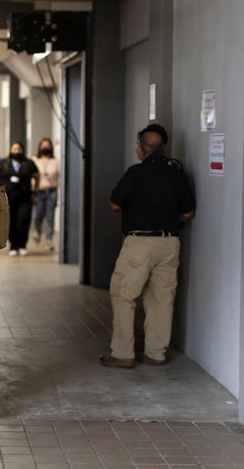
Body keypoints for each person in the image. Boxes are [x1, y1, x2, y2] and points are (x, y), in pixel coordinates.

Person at [101, 123, 196, 368]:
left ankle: (123, 353)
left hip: (139, 243)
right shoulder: (177, 173)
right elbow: (188, 212)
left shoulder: (135, 173)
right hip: (169, 244)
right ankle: (156, 353)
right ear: (163, 148)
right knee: (161, 299)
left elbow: (114, 205)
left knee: (123, 295)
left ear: (141, 149)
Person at [0, 142, 39, 256]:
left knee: (24, 219)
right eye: (14, 149)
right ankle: (14, 245)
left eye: (19, 149)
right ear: (10, 150)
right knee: (11, 222)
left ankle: (22, 245)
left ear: (22, 150)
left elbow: (37, 176)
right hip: (9, 198)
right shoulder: (4, 163)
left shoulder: (28, 163)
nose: (16, 151)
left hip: (25, 198)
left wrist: (35, 192)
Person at [32, 137, 59, 251]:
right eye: (43, 145)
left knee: (50, 217)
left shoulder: (55, 161)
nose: (45, 147)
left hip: (51, 191)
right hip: (39, 191)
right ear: (39, 147)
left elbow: (59, 177)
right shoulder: (34, 159)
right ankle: (38, 231)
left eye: (48, 145)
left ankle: (49, 240)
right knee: (38, 216)